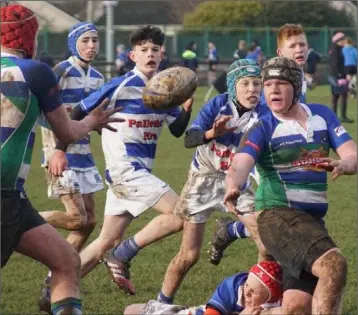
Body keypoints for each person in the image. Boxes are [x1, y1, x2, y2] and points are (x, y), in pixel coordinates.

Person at [36, 25, 193, 302]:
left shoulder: (164, 92)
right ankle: (123, 255)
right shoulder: (119, 85)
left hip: (134, 174)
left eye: (155, 50)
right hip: (126, 171)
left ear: (162, 54)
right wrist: (59, 149)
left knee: (104, 242)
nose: (150, 54)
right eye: (144, 50)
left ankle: (53, 293)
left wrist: (187, 110)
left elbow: (178, 131)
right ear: (133, 55)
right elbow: (77, 111)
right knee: (181, 213)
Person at [0, 4, 124, 315]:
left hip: (15, 197)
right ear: (30, 38)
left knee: (67, 261)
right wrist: (92, 122)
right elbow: (67, 131)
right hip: (3, 196)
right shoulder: (36, 72)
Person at [224, 56, 357, 315]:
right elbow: (240, 162)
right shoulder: (263, 126)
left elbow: (352, 154)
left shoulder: (322, 116)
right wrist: (233, 184)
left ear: (296, 87)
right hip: (276, 216)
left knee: (297, 307)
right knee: (333, 265)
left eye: (281, 83)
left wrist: (344, 164)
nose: (272, 90)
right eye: (268, 84)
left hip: (310, 223)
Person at [156, 59, 270, 305]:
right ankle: (161, 303)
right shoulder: (217, 105)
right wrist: (212, 134)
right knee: (189, 255)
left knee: (265, 243)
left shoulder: (265, 112)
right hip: (204, 178)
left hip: (239, 180)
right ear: (232, 87)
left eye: (257, 84)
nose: (252, 89)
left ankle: (258, 303)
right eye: (246, 84)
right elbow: (189, 139)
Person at [210, 23, 310, 265]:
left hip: (286, 152)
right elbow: (228, 89)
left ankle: (232, 231)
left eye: (303, 44)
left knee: (284, 220)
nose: (299, 49)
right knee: (275, 222)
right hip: (262, 154)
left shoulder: (299, 78)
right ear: (280, 52)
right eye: (292, 46)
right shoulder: (268, 77)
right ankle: (266, 285)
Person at [38, 22, 105, 313]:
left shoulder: (99, 77)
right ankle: (26, 220)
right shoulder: (61, 71)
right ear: (74, 43)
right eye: (86, 40)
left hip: (84, 153)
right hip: (58, 152)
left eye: (95, 41)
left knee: (89, 222)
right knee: (76, 218)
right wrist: (57, 141)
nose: (91, 46)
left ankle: (52, 278)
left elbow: (96, 115)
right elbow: (41, 108)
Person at [124, 261, 283, 315]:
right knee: (130, 311)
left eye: (254, 292)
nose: (246, 291)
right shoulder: (234, 286)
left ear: (270, 298)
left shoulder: (280, 306)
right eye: (247, 284)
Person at [328, 32, 354, 123]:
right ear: (338, 41)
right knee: (341, 96)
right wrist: (339, 76)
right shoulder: (337, 51)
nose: (344, 41)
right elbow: (335, 64)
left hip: (335, 76)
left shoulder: (336, 49)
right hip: (338, 77)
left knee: (336, 97)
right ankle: (342, 116)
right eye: (342, 40)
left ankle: (334, 117)